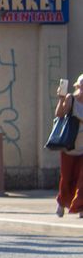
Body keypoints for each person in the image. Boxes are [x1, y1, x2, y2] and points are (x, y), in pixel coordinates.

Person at [54, 74, 83, 218]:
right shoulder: (71, 99)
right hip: (69, 148)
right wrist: (61, 99)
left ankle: (80, 207)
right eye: (82, 86)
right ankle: (61, 202)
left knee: (82, 180)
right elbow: (59, 114)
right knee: (66, 179)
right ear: (78, 86)